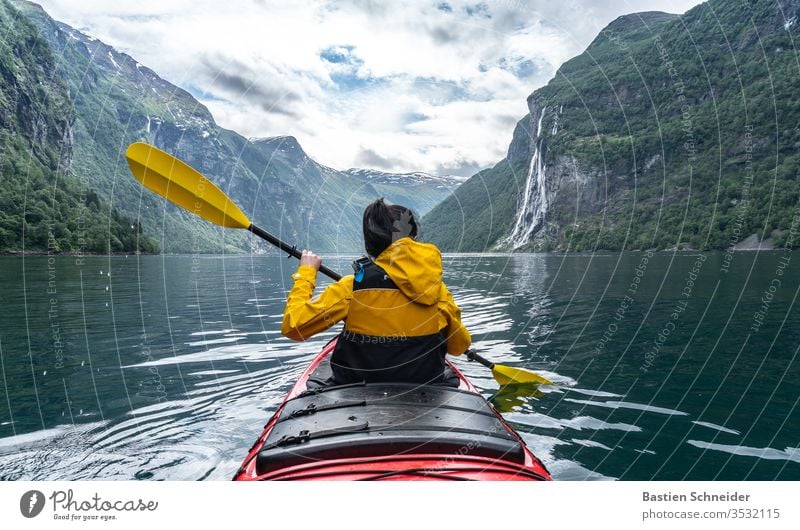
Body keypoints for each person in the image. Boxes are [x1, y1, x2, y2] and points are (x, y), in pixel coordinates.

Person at [281, 198, 471, 385]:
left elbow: (294, 327)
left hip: (356, 387)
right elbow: (458, 347)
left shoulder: (352, 287)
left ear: (371, 244)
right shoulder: (437, 291)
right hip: (424, 388)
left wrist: (307, 272)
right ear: (413, 240)